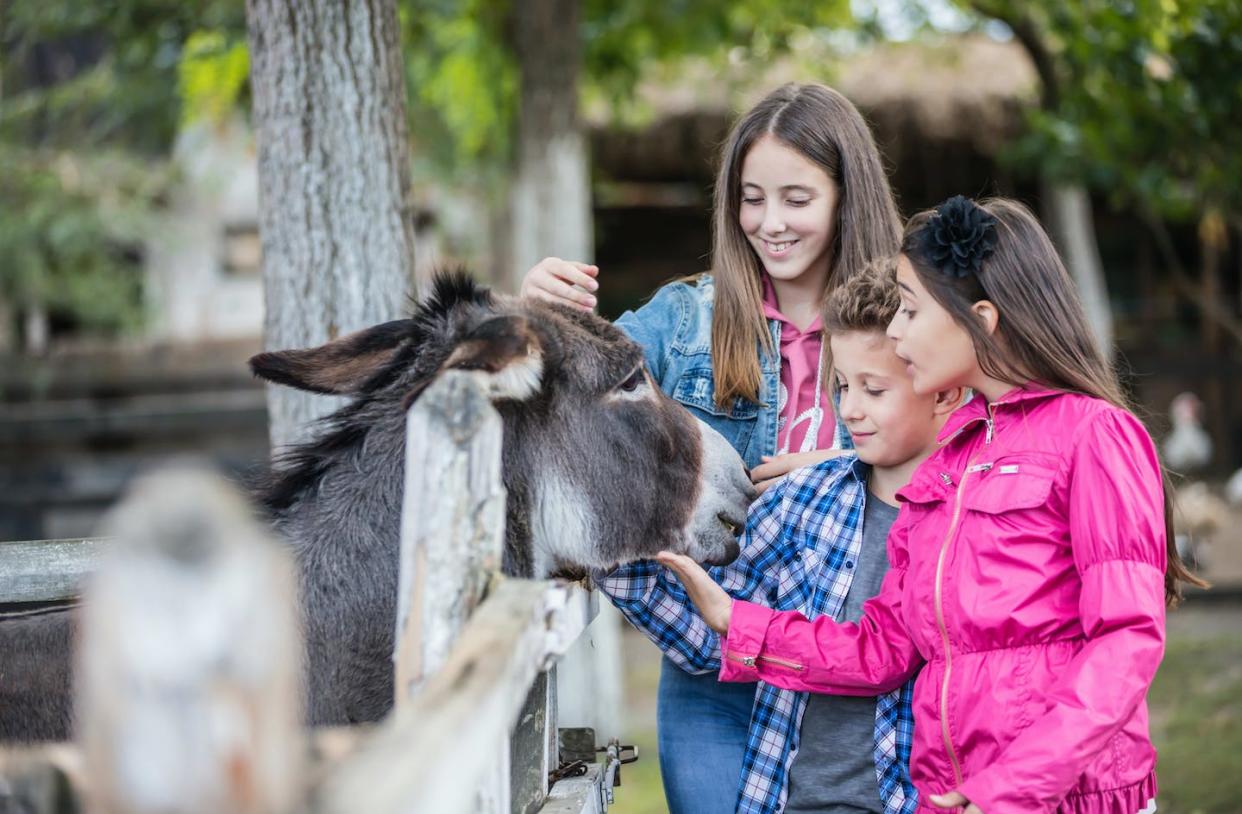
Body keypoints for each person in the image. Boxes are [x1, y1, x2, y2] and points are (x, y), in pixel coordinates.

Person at [660, 195, 1206, 814]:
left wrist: (1008, 792)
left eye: (911, 311)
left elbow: (1126, 642)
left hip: (1062, 800)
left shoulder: (1095, 434)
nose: (895, 332)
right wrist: (738, 622)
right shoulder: (950, 460)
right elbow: (883, 648)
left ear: (981, 318)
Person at [521, 83, 903, 812]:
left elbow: (970, 451)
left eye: (797, 198)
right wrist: (532, 316)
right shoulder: (683, 318)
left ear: (847, 195)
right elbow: (570, 406)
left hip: (861, 680)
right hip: (713, 686)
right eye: (750, 198)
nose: (769, 222)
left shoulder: (906, 323)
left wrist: (846, 466)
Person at [606, 259, 964, 814]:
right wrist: (611, 552)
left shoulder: (978, 519)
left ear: (943, 392)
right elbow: (713, 644)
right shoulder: (803, 501)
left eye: (874, 389)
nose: (849, 409)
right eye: (842, 386)